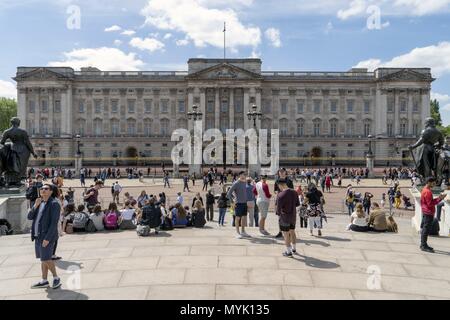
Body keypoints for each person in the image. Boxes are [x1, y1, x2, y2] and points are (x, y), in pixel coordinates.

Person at [28, 183, 62, 289]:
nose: (43, 190)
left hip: (47, 236)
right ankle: (44, 280)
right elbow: (30, 217)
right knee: (43, 259)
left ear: (51, 191)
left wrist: (47, 238)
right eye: (42, 188)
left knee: (47, 259)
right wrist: (35, 206)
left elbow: (53, 223)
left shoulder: (54, 204)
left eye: (46, 189)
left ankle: (56, 278)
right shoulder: (39, 202)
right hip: (37, 235)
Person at [420, 177, 446, 252]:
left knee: (425, 229)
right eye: (433, 183)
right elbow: (430, 203)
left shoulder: (424, 189)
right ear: (429, 182)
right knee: (426, 229)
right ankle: (423, 245)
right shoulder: (427, 192)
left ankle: (423, 244)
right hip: (428, 212)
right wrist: (440, 198)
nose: (434, 184)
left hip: (425, 211)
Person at [276, 179, 300, 257]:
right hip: (293, 215)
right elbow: (297, 204)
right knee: (292, 232)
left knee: (286, 234)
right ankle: (294, 248)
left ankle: (288, 251)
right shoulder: (294, 192)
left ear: (280, 185)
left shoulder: (280, 195)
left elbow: (278, 211)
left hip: (285, 216)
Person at [227, 171, 250, 238]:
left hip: (244, 203)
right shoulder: (236, 183)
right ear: (240, 175)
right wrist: (232, 202)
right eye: (243, 175)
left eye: (245, 175)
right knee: (237, 218)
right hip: (238, 203)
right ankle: (237, 232)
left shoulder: (244, 182)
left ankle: (243, 231)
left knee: (244, 218)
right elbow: (229, 193)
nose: (244, 176)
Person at [274, 168, 294, 238]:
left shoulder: (289, 181)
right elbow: (275, 191)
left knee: (288, 217)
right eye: (280, 171)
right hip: (280, 201)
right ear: (278, 172)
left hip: (288, 201)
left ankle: (288, 231)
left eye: (283, 171)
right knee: (279, 217)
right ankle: (280, 231)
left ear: (285, 172)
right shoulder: (277, 181)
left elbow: (292, 191)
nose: (281, 173)